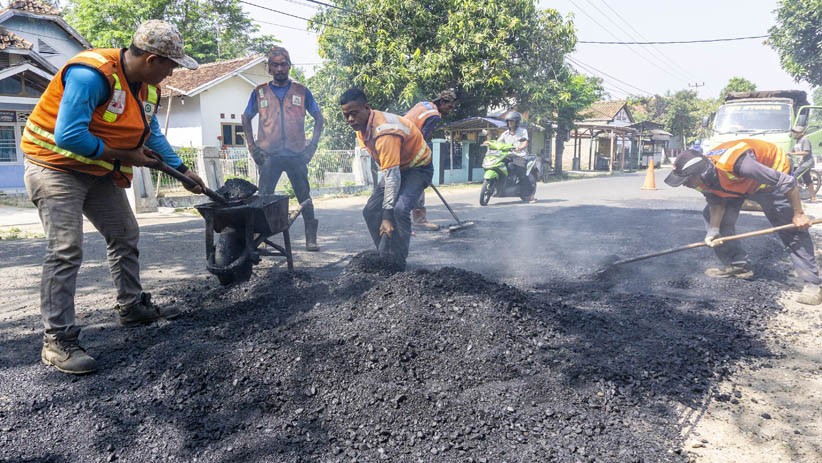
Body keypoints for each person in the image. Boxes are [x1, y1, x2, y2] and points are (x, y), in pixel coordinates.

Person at [21, 20, 205, 374]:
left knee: (124, 233)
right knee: (65, 248)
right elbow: (68, 136)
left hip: (97, 168)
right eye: (170, 65)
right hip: (53, 165)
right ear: (152, 60)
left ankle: (131, 306)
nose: (172, 73)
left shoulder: (148, 90)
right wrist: (123, 157)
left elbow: (150, 135)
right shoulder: (93, 74)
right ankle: (57, 340)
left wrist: (181, 169)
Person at [664, 139, 822, 305]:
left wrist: (799, 214)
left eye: (686, 181)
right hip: (740, 184)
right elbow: (716, 201)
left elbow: (788, 182)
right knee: (711, 216)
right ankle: (738, 265)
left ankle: (812, 283)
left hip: (771, 180)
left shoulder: (739, 164)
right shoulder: (702, 179)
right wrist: (714, 229)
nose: (684, 185)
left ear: (700, 174)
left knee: (791, 227)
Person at [339, 88, 433, 270]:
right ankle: (385, 257)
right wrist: (383, 210)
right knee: (370, 211)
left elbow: (392, 176)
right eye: (346, 115)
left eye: (354, 114)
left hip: (418, 168)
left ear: (367, 108)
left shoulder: (384, 132)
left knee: (399, 210)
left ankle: (398, 263)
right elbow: (385, 168)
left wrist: (387, 217)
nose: (350, 120)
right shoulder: (362, 128)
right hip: (397, 168)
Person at [241, 46, 324, 251]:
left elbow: (319, 117)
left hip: (297, 155)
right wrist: (252, 147)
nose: (279, 69)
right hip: (269, 155)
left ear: (289, 66)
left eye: (283, 64)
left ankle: (311, 238)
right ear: (269, 68)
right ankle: (258, 240)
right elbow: (245, 117)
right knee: (264, 198)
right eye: (275, 65)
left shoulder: (301, 91)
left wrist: (312, 146)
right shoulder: (259, 92)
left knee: (304, 196)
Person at [404, 89, 458, 230]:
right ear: (442, 102)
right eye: (449, 106)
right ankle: (419, 220)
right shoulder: (434, 115)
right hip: (410, 147)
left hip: (400, 141)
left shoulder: (423, 104)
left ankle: (393, 218)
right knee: (419, 179)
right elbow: (422, 138)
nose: (450, 110)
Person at [496, 111, 535, 202]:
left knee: (521, 173)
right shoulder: (505, 133)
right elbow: (498, 142)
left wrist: (520, 147)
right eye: (509, 121)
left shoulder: (522, 131)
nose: (510, 123)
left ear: (517, 122)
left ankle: (528, 195)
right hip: (508, 155)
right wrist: (490, 143)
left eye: (512, 121)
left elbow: (525, 142)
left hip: (520, 156)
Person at [789, 125, 816, 202]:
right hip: (801, 163)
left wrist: (792, 154)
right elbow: (793, 151)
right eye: (794, 132)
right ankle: (813, 196)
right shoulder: (797, 141)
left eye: (796, 132)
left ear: (802, 133)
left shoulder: (805, 140)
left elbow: (806, 152)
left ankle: (793, 196)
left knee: (794, 175)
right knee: (807, 179)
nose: (794, 134)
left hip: (807, 163)